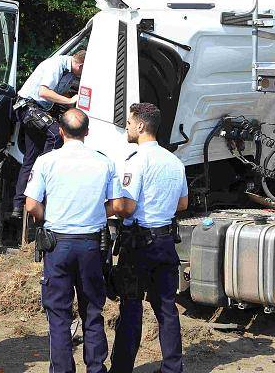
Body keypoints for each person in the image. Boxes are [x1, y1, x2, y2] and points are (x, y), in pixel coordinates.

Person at [24, 108, 125, 373]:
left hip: (57, 244)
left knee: (58, 314)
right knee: (92, 310)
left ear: (60, 131)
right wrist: (93, 214)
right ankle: (95, 368)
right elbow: (116, 205)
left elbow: (32, 205)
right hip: (92, 244)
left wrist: (51, 217)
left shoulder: (46, 162)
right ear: (87, 133)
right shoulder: (104, 162)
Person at [109, 103, 189, 373]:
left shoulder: (135, 161)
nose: (128, 128)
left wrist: (109, 207)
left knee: (131, 307)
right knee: (167, 308)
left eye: (130, 123)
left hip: (139, 243)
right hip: (166, 242)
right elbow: (183, 204)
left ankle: (121, 368)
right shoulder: (175, 162)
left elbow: (126, 207)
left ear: (141, 126)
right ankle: (172, 368)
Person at [12, 49, 86, 218]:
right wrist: (69, 101)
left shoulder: (68, 71)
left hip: (36, 110)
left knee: (31, 157)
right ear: (80, 65)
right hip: (28, 107)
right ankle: (44, 175)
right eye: (83, 72)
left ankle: (18, 205)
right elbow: (43, 92)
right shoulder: (56, 65)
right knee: (57, 134)